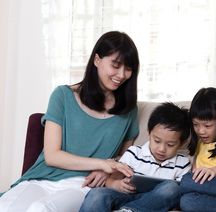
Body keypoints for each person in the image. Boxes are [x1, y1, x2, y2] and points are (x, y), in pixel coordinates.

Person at [0, 31, 140, 212]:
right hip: (42, 178)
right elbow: (52, 156)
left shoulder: (128, 110)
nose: (121, 75)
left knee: (40, 209)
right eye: (115, 65)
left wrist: (108, 171)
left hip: (81, 184)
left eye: (128, 68)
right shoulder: (63, 96)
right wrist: (102, 164)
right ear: (97, 60)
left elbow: (126, 157)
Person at [79, 102, 191, 212]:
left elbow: (179, 195)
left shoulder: (182, 163)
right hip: (126, 196)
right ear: (149, 133)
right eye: (157, 141)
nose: (161, 149)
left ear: (181, 143)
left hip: (156, 202)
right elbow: (112, 178)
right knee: (97, 194)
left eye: (170, 145)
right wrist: (116, 184)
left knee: (172, 188)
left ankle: (130, 210)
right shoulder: (134, 153)